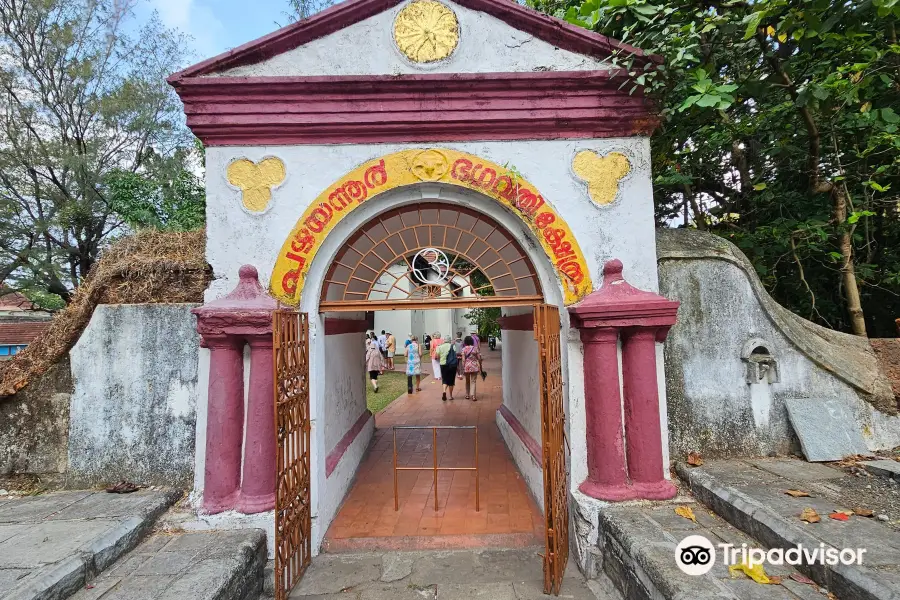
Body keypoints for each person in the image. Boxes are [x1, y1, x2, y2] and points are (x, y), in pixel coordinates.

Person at [461, 335, 483, 401]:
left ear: (465, 342)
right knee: (473, 381)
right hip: (474, 366)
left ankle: (467, 395)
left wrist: (463, 367)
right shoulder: (475, 348)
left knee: (467, 381)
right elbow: (479, 358)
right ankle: (473, 396)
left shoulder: (464, 349)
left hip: (467, 366)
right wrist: (480, 363)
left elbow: (463, 359)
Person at [437, 335, 458, 401]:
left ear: (444, 340)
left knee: (444, 379)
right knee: (451, 381)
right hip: (452, 365)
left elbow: (437, 356)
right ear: (450, 340)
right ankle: (451, 396)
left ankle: (444, 391)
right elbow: (456, 354)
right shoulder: (453, 346)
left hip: (443, 365)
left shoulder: (439, 347)